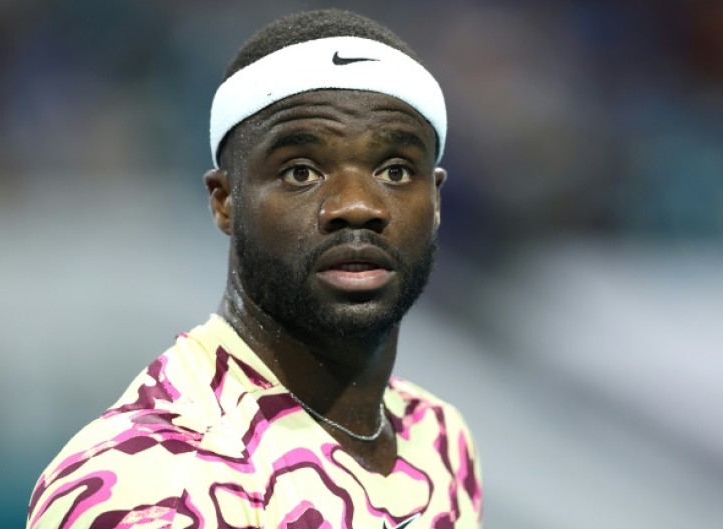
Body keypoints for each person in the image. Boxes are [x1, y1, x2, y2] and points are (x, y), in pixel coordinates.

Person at [26, 8, 482, 529]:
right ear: (225, 201)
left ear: (437, 200)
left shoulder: (439, 437)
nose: (357, 205)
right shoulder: (152, 482)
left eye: (395, 170)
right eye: (301, 171)